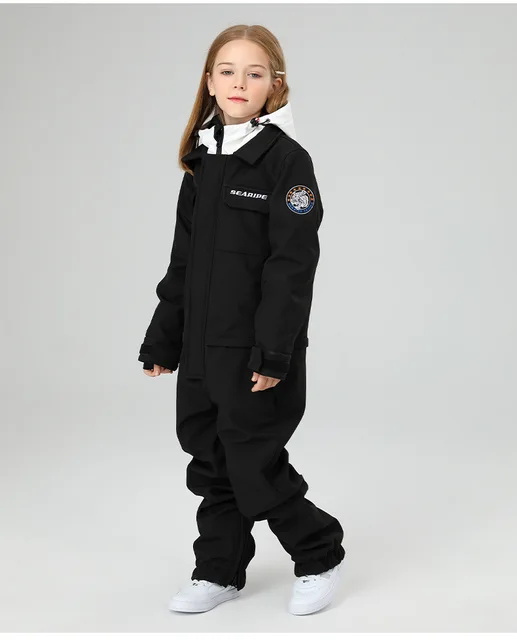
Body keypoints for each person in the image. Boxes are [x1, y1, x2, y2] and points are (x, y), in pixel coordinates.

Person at [137, 24, 346, 616]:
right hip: (202, 350)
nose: (238, 83)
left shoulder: (286, 161)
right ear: (209, 81)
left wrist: (274, 351)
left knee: (253, 460)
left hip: (256, 352)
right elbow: (183, 262)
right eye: (227, 71)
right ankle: (219, 570)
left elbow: (292, 266)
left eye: (254, 73)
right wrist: (164, 339)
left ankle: (319, 553)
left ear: (274, 85)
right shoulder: (202, 161)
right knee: (210, 459)